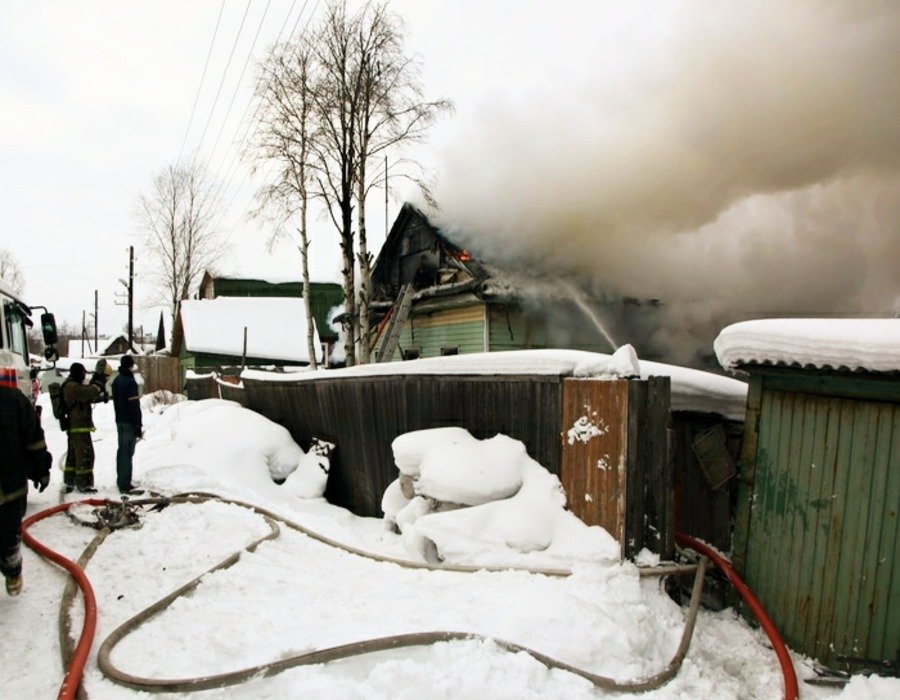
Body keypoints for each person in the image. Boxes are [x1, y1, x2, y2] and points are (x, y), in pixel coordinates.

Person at [0, 383, 52, 595]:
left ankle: (12, 570)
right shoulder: (14, 399)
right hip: (11, 490)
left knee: (8, 537)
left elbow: (33, 440)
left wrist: (41, 468)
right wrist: (40, 469)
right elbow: (34, 440)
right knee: (9, 536)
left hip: (9, 489)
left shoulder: (13, 401)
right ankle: (12, 570)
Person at [61, 362, 107, 493]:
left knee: (73, 455)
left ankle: (70, 481)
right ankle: (83, 484)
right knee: (85, 455)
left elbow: (85, 396)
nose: (84, 376)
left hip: (76, 426)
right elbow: (89, 393)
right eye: (83, 373)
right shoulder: (72, 387)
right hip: (78, 426)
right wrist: (99, 383)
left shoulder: (72, 385)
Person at [111, 355, 142, 494]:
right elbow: (134, 405)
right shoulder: (130, 382)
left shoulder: (117, 380)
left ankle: (121, 480)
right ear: (131, 365)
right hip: (129, 421)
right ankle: (125, 484)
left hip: (120, 420)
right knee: (127, 452)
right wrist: (138, 425)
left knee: (122, 451)